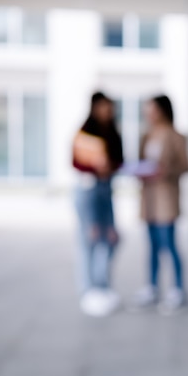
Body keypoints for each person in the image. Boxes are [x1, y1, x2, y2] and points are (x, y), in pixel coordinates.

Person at [130, 95, 188, 315]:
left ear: (163, 110)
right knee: (152, 245)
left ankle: (177, 288)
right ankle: (152, 287)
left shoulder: (176, 136)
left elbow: (187, 165)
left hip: (166, 197)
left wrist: (166, 171)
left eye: (152, 110)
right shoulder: (146, 135)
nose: (149, 114)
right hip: (149, 198)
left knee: (169, 244)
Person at [72, 91, 124, 317]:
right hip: (88, 189)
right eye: (103, 107)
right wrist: (95, 167)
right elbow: (76, 162)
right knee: (89, 239)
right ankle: (89, 289)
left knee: (111, 238)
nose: (107, 112)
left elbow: (120, 160)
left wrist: (109, 167)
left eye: (109, 107)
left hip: (106, 189)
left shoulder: (113, 132)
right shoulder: (84, 132)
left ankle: (102, 285)